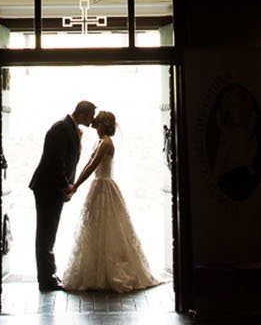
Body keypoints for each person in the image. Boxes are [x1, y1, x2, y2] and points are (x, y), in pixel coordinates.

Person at [60, 110, 162, 294]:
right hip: (98, 186)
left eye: (96, 123)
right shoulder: (100, 141)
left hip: (104, 186)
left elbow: (92, 166)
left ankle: (106, 274)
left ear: (102, 125)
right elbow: (88, 163)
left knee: (107, 228)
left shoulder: (106, 143)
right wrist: (75, 184)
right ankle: (97, 272)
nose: (94, 126)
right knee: (95, 228)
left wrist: (75, 186)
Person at [29, 99, 95, 291]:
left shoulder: (70, 128)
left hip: (53, 187)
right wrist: (64, 186)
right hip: (49, 187)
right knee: (45, 233)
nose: (92, 121)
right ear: (82, 115)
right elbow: (56, 161)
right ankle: (46, 278)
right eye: (90, 117)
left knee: (49, 232)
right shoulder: (62, 128)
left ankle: (49, 274)